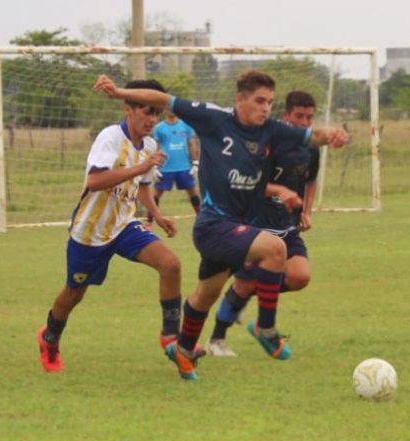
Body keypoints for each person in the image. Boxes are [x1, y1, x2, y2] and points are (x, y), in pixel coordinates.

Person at [93, 71, 348, 381]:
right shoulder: (214, 119)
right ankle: (266, 328)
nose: (265, 108)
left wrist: (333, 135)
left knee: (205, 295)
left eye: (269, 101)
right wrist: (119, 92)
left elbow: (313, 137)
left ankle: (184, 351)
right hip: (213, 225)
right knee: (274, 249)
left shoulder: (271, 130)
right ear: (240, 99)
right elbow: (163, 99)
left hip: (236, 227)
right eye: (259, 101)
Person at [36, 79, 183, 374]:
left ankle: (171, 337)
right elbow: (95, 181)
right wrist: (142, 166)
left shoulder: (151, 145)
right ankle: (50, 337)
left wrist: (157, 212)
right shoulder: (110, 138)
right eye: (147, 112)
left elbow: (142, 187)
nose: (152, 119)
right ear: (128, 110)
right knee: (74, 292)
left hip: (125, 225)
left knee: (171, 265)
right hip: (90, 232)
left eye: (156, 113)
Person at [206, 90, 322, 357]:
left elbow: (309, 181)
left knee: (300, 276)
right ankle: (216, 340)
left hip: (286, 226)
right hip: (255, 225)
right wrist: (278, 191)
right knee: (245, 285)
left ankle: (249, 306)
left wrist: (306, 210)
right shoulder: (266, 146)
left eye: (309, 117)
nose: (304, 123)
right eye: (298, 117)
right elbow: (248, 183)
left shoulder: (310, 148)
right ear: (286, 116)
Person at [145, 109, 201, 229]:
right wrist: (155, 166)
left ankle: (201, 220)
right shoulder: (159, 128)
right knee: (156, 194)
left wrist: (195, 163)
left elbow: (192, 143)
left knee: (193, 192)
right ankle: (149, 222)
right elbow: (156, 147)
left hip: (184, 167)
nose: (171, 110)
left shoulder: (186, 125)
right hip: (166, 168)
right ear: (164, 110)